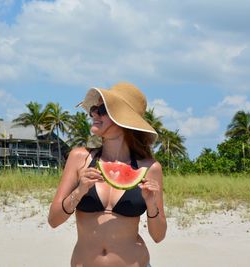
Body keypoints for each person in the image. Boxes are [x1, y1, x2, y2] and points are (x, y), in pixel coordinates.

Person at [48, 82, 167, 267]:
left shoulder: (150, 167)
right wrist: (79, 191)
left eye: (102, 109)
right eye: (94, 109)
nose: (94, 113)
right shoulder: (80, 158)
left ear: (123, 119)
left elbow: (159, 236)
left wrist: (151, 205)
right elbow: (53, 220)